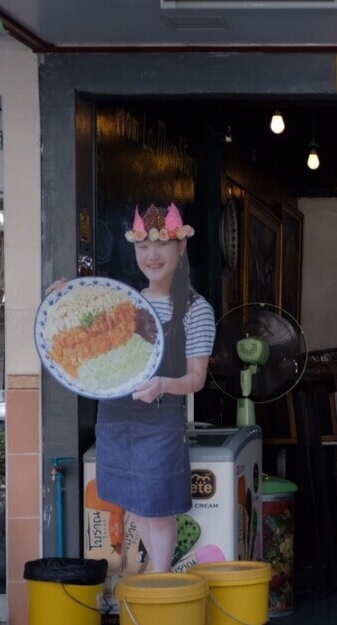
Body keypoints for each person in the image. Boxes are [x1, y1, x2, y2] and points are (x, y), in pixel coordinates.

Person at [65, 203, 215, 574]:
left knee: (158, 510)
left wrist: (163, 383)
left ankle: (161, 579)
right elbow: (82, 334)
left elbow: (196, 379)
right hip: (115, 419)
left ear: (180, 249)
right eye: (143, 246)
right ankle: (156, 577)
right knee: (133, 504)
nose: (152, 255)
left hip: (159, 425)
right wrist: (63, 294)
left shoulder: (197, 310)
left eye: (162, 245)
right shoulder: (124, 303)